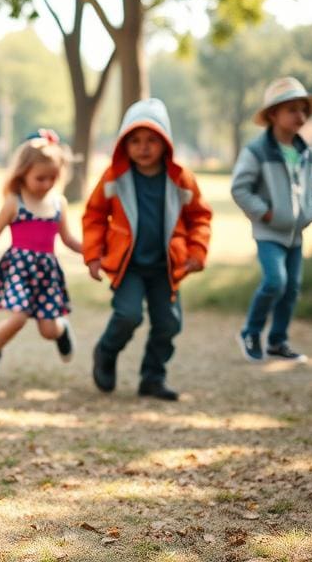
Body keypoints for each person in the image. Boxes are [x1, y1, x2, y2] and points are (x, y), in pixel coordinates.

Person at [83, 98, 212, 401]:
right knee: (128, 315)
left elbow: (200, 217)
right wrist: (92, 254)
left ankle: (152, 378)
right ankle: (106, 351)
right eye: (135, 141)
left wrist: (197, 252)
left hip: (167, 266)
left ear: (165, 142)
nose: (143, 147)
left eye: (152, 140)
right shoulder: (115, 177)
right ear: (124, 144)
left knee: (169, 323)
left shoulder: (180, 178)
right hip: (128, 265)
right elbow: (94, 215)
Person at [0, 130, 82, 382]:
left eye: (53, 178)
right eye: (40, 178)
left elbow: (69, 239)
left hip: (47, 274)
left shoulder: (59, 204)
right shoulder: (15, 202)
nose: (46, 184)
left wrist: (93, 253)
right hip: (19, 270)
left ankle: (61, 330)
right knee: (19, 317)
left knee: (48, 330)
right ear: (23, 173)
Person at [232, 77, 312, 363]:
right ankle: (250, 332)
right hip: (269, 233)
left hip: (296, 235)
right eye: (292, 110)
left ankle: (278, 341)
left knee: (291, 289)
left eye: (303, 110)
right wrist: (265, 212)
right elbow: (240, 188)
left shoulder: (305, 152)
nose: (300, 116)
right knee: (275, 281)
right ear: (273, 114)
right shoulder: (257, 151)